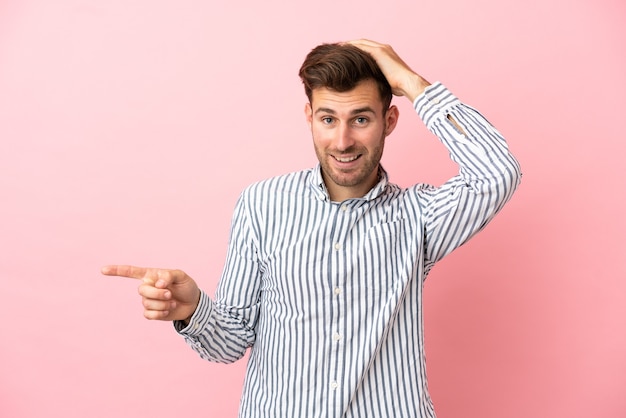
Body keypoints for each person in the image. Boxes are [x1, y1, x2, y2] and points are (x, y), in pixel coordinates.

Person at [102, 39, 521, 417]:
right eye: (327, 119)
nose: (342, 142)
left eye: (360, 119)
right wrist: (194, 309)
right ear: (309, 117)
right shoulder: (262, 205)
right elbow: (228, 344)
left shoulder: (421, 216)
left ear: (390, 120)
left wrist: (411, 82)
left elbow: (497, 171)